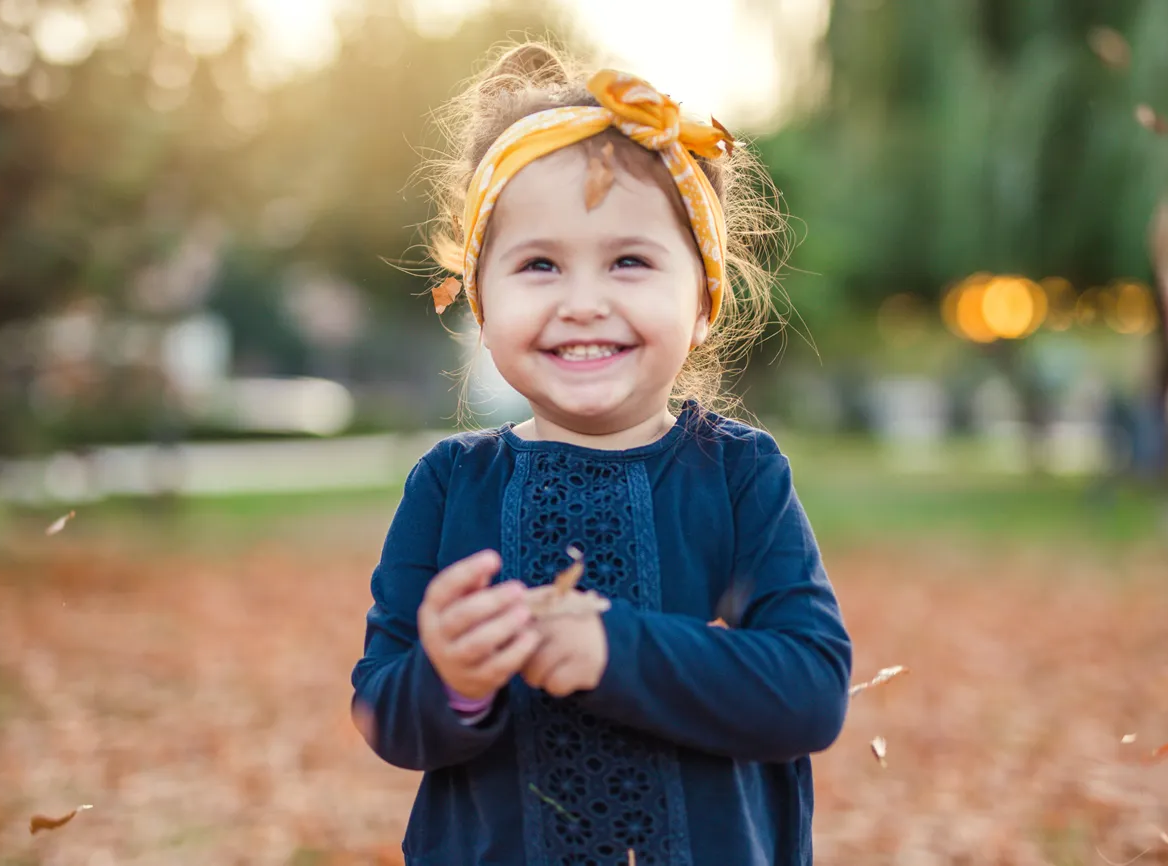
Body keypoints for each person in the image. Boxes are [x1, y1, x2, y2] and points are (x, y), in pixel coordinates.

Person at [349, 40, 853, 866]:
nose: (584, 303)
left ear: (701, 304)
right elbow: (384, 715)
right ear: (483, 301)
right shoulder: (448, 486)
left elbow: (809, 690)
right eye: (539, 264)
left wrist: (615, 650)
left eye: (629, 261)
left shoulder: (738, 478)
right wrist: (451, 679)